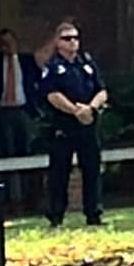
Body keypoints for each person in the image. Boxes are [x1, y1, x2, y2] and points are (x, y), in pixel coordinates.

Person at [40, 21, 107, 227]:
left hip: (88, 123)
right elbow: (52, 95)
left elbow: (102, 90)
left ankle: (93, 213)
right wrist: (75, 111)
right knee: (60, 171)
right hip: (64, 126)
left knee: (92, 168)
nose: (72, 42)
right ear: (58, 43)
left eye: (75, 38)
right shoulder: (53, 67)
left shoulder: (86, 63)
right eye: (67, 38)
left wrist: (91, 109)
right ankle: (56, 215)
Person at [0, 29, 40, 207]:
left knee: (27, 151)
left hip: (23, 110)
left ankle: (31, 195)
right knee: (8, 152)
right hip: (3, 111)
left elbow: (39, 81)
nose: (7, 46)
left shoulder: (27, 61)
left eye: (9, 42)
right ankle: (13, 197)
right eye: (3, 43)